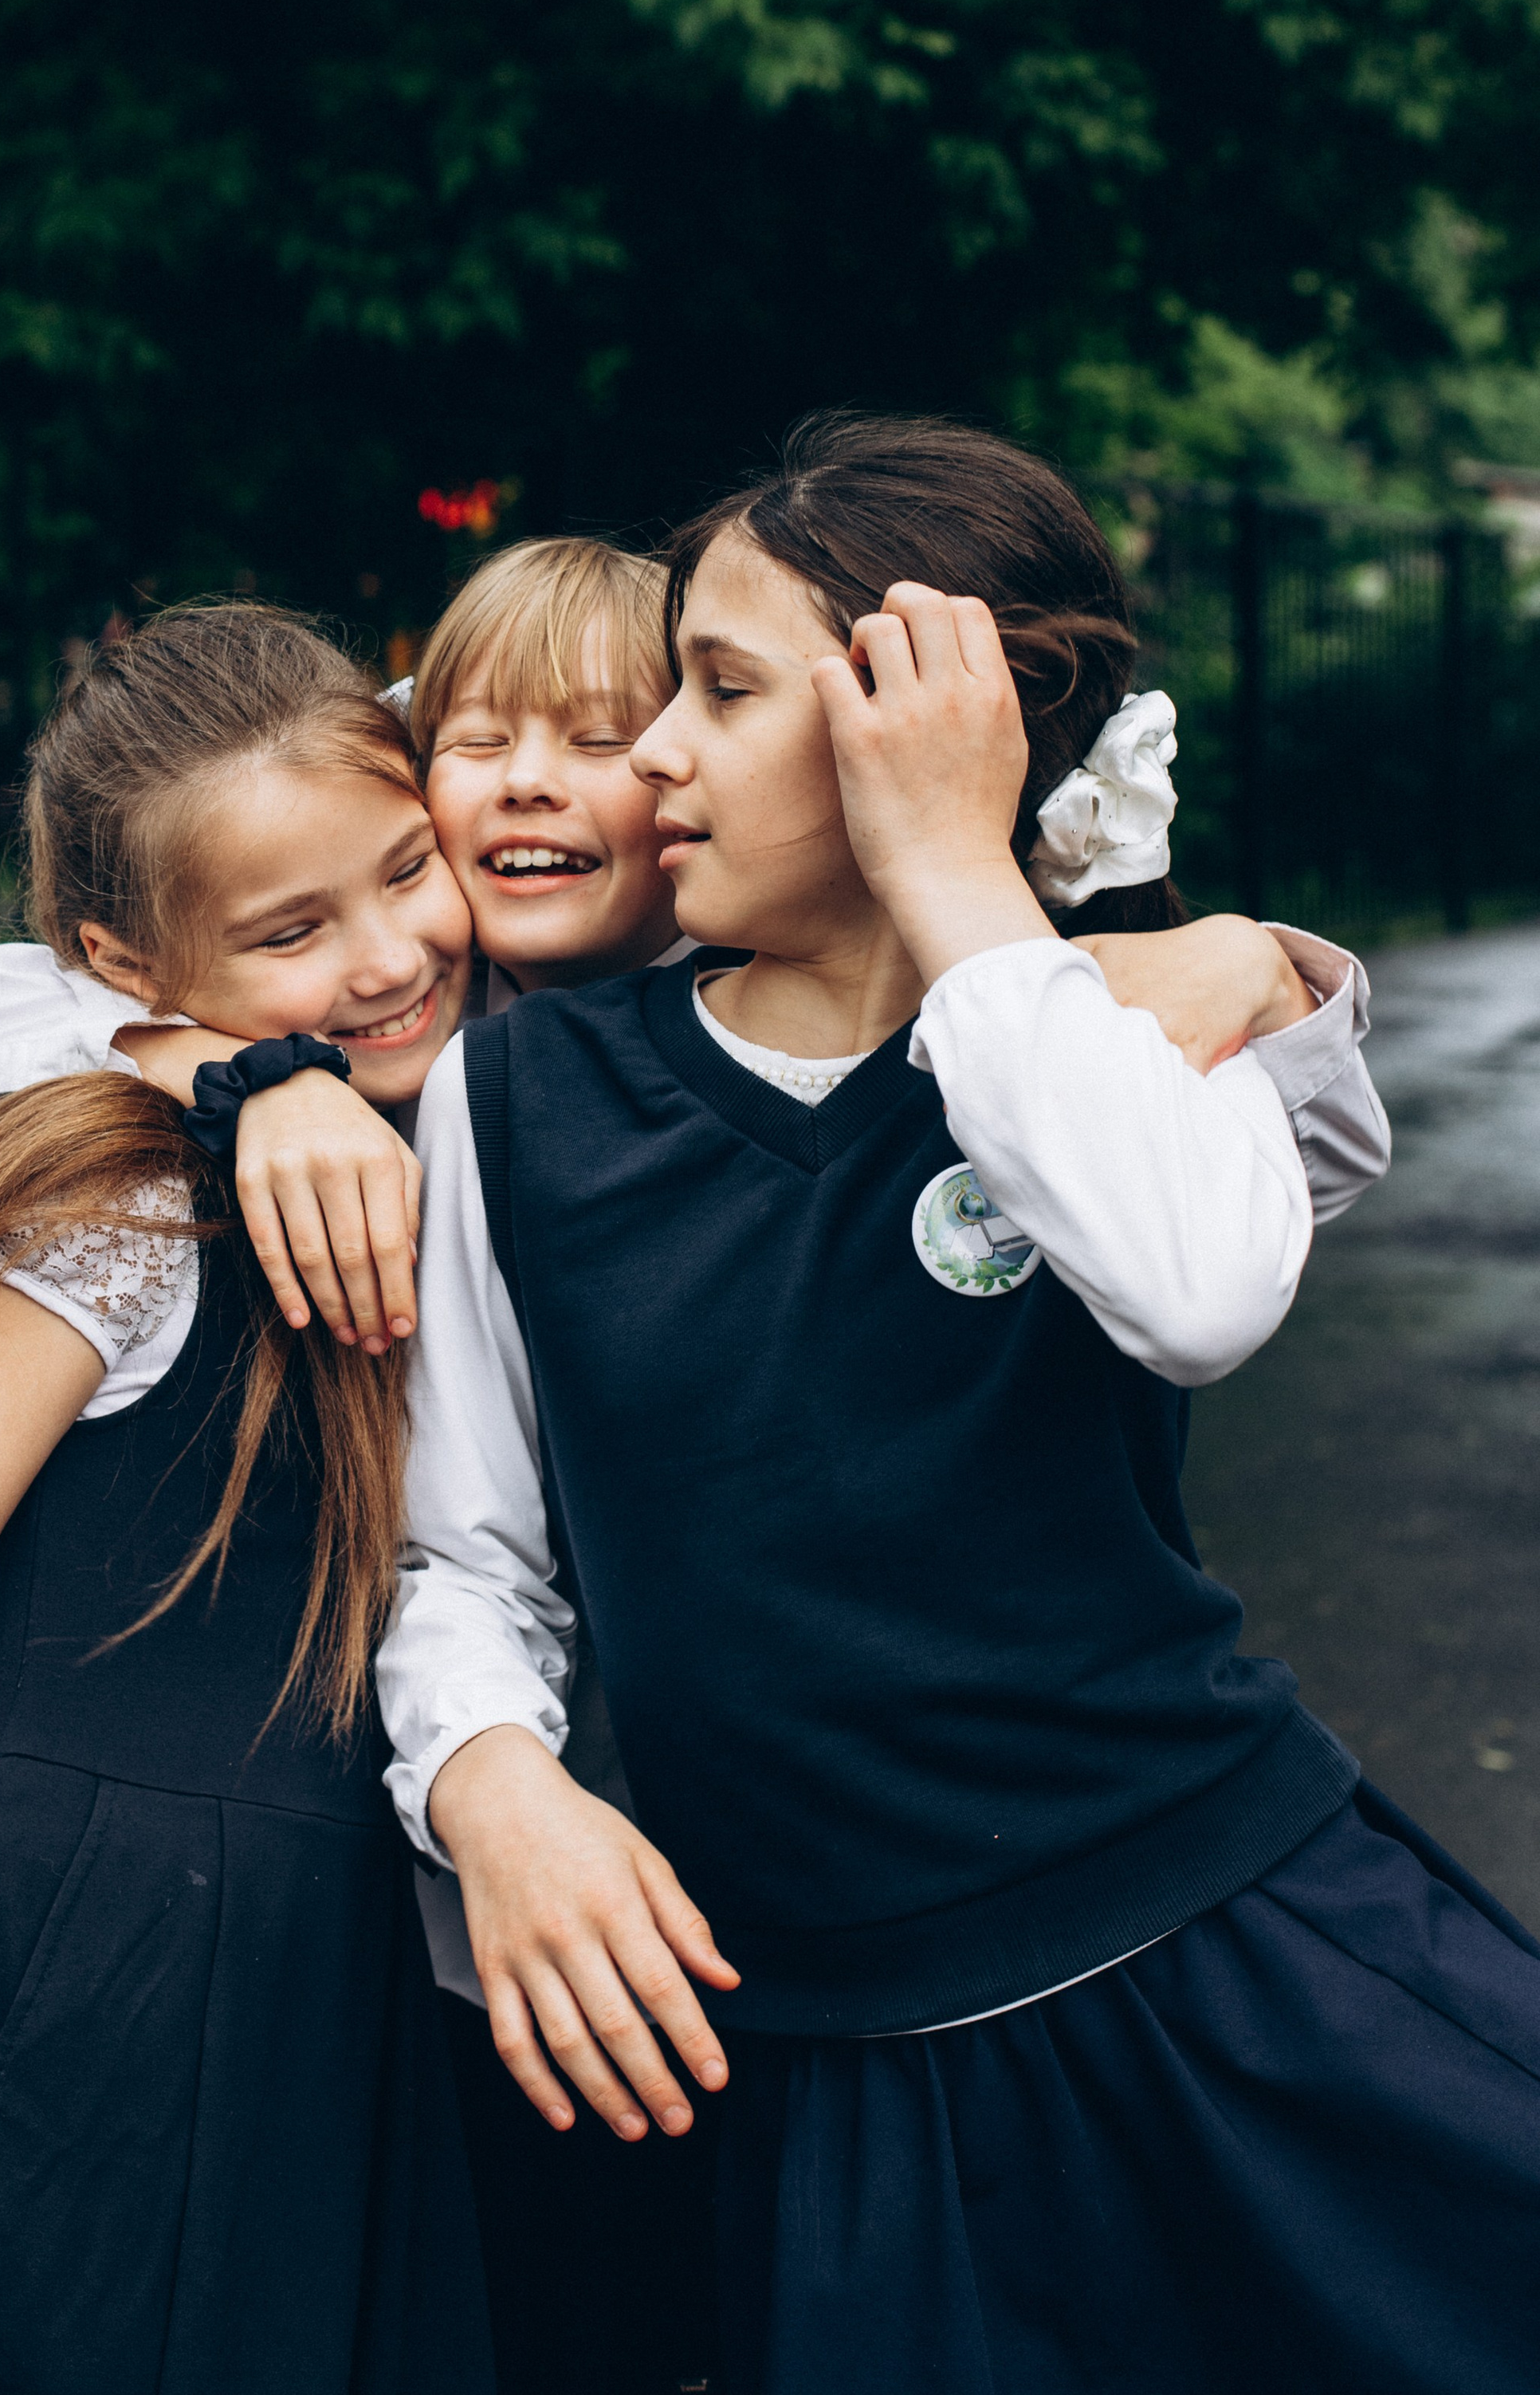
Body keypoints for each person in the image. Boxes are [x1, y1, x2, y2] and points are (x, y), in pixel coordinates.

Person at [0, 532, 1389, 2395]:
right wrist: (229, 1068)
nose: (538, 775)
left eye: (617, 729)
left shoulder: (812, 1000)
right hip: (459, 1926)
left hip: (829, 1913)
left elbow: (1182, 1169)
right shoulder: (407, 1035)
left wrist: (1249, 949)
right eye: (475, 738)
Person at [380, 416, 1538, 2394]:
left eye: (719, 692)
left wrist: (959, 885)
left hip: (1232, 1975)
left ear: (922, 733)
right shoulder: (522, 1105)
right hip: (836, 2068)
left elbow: (1190, 1293)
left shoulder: (1123, 1024)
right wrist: (482, 1778)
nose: (654, 750)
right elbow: (464, 1556)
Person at [0, 604, 492, 2395]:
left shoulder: (447, 1099)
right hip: (77, 2014)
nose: (387, 955)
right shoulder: (119, 1204)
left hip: (313, 1992)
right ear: (124, 968)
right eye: (294, 933)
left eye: (405, 874)